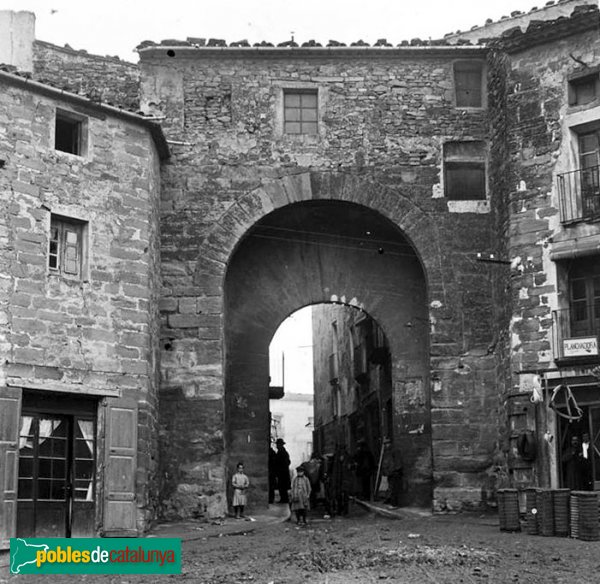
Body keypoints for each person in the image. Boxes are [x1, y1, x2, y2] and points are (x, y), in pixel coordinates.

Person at [274, 438, 291, 503]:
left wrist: (281, 468)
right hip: (282, 472)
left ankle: (284, 499)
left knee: (282, 487)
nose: (277, 446)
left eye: (278, 444)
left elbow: (287, 462)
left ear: (280, 445)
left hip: (282, 473)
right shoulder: (282, 452)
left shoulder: (282, 452)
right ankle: (284, 499)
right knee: (282, 487)